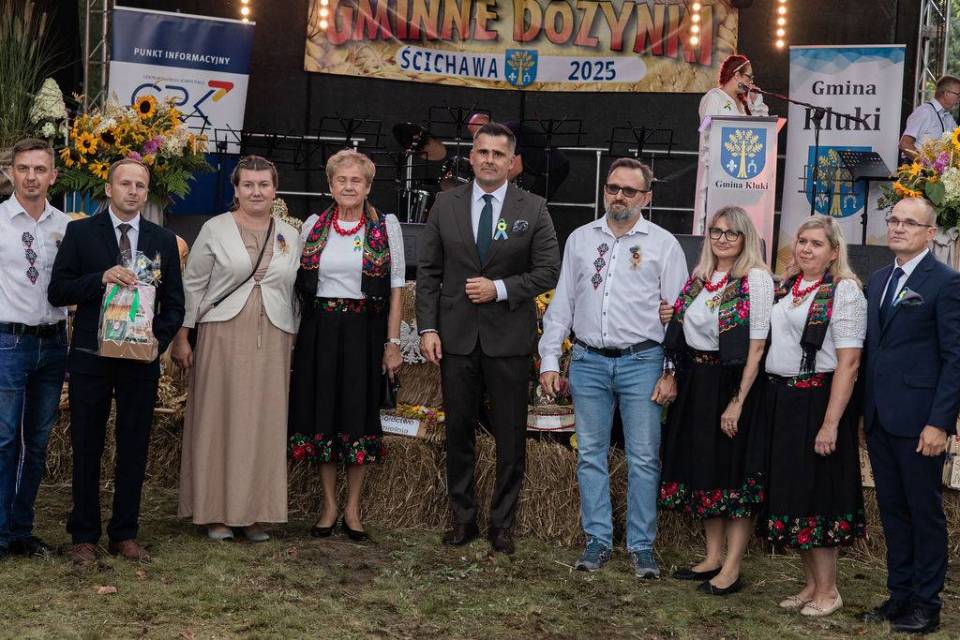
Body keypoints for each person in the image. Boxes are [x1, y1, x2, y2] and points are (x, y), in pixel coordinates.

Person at [538, 158, 687, 576]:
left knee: (644, 457)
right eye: (612, 187)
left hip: (643, 361)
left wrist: (671, 370)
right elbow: (562, 303)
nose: (619, 196)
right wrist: (550, 358)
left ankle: (641, 545)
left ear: (646, 198)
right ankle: (598, 540)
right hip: (588, 360)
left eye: (629, 190)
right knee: (590, 454)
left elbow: (677, 315)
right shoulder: (581, 239)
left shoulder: (663, 245)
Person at [417, 122, 559, 555]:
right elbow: (429, 272)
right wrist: (427, 328)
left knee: (510, 435)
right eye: (483, 152)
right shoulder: (445, 204)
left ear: (512, 162)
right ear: (472, 156)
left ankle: (502, 524)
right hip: (456, 337)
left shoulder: (533, 208)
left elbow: (548, 271)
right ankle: (463, 520)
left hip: (508, 339)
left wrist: (499, 289)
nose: (490, 160)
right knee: (458, 430)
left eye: (499, 154)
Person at [48, 159, 184, 566]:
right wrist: (100, 279)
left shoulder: (163, 240)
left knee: (134, 445)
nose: (132, 191)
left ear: (147, 192)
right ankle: (83, 535)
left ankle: (125, 533)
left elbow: (175, 304)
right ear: (109, 189)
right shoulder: (80, 233)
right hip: (91, 357)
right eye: (125, 183)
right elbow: (58, 291)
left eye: (140, 185)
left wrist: (155, 341)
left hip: (139, 361)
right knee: (86, 444)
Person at [171, 156, 300, 542]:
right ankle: (215, 512)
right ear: (236, 189)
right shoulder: (215, 228)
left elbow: (295, 291)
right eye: (248, 185)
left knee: (264, 423)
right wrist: (182, 336)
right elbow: (193, 284)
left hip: (273, 336)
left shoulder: (290, 234)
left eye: (263, 185)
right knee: (218, 419)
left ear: (275, 190)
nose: (256, 192)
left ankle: (254, 513)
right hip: (222, 334)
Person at [288, 149, 405, 541]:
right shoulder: (312, 226)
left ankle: (353, 508)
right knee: (322, 413)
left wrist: (392, 343)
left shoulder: (386, 227)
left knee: (357, 415)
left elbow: (396, 289)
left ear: (368, 187)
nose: (349, 186)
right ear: (330, 185)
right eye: (342, 180)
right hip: (319, 330)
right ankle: (328, 506)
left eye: (357, 180)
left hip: (364, 331)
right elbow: (296, 288)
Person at [658, 206, 773, 595]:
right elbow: (680, 332)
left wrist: (738, 401)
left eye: (731, 233)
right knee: (706, 470)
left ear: (745, 238)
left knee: (733, 474)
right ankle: (712, 557)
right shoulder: (700, 278)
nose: (722, 239)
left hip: (734, 383)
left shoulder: (755, 279)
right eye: (716, 232)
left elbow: (757, 347)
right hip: (698, 382)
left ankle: (733, 567)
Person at [861, 197, 960, 634]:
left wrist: (939, 423)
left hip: (921, 422)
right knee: (892, 510)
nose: (898, 228)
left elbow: (955, 359)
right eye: (894, 220)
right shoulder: (879, 278)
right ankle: (899, 595)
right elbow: (874, 350)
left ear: (930, 233)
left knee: (924, 513)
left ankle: (926, 603)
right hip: (880, 417)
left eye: (909, 223)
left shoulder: (946, 283)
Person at [761, 216, 866, 617]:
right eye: (802, 241)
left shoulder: (844, 291)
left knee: (818, 496)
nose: (805, 248)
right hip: (783, 399)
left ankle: (828, 590)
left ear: (834, 252)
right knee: (794, 494)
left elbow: (849, 362)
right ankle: (810, 585)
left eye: (816, 244)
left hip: (818, 399)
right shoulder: (789, 287)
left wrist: (830, 422)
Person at [0, 138, 70, 559]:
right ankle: (1, 533)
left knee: (38, 442)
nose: (31, 177)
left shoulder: (67, 225)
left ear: (53, 176)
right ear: (10, 172)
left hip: (54, 343)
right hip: (8, 342)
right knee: (4, 439)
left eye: (40, 169)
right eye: (23, 168)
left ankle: (22, 530)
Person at [693, 54, 769, 235]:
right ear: (736, 75)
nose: (751, 82)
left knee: (736, 223)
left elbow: (763, 130)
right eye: (749, 77)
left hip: (740, 176)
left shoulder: (744, 104)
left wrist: (755, 103)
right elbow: (704, 128)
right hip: (717, 171)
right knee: (716, 218)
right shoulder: (714, 97)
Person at [467, 113, 570, 200]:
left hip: (555, 167)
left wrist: (492, 186)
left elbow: (517, 168)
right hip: (545, 169)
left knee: (533, 206)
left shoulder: (507, 134)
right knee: (532, 204)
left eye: (478, 134)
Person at [898, 75, 960, 159]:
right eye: (958, 95)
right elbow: (904, 144)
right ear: (947, 93)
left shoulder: (948, 117)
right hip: (917, 166)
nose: (959, 99)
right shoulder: (925, 112)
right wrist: (926, 164)